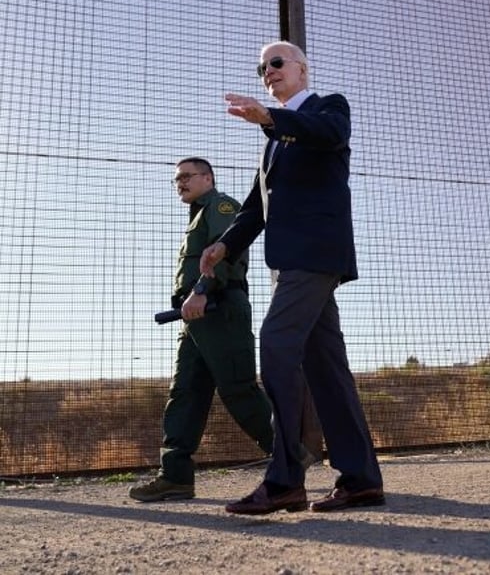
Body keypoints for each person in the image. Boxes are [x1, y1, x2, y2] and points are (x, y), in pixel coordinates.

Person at [200, 40, 384, 514]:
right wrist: (224, 246)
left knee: (277, 346)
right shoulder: (274, 146)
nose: (268, 72)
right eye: (262, 68)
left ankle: (285, 479)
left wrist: (268, 119)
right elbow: (256, 207)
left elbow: (327, 133)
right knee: (327, 368)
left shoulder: (327, 109)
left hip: (316, 256)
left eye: (276, 63)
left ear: (302, 69)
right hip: (290, 263)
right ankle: (361, 479)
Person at [129, 158, 274, 502]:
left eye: (186, 176)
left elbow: (226, 251)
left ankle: (291, 453)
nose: (179, 183)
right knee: (185, 392)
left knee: (238, 388)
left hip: (219, 306)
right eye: (176, 179)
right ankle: (175, 476)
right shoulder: (196, 215)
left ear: (207, 178)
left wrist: (202, 291)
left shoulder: (222, 206)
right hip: (195, 315)